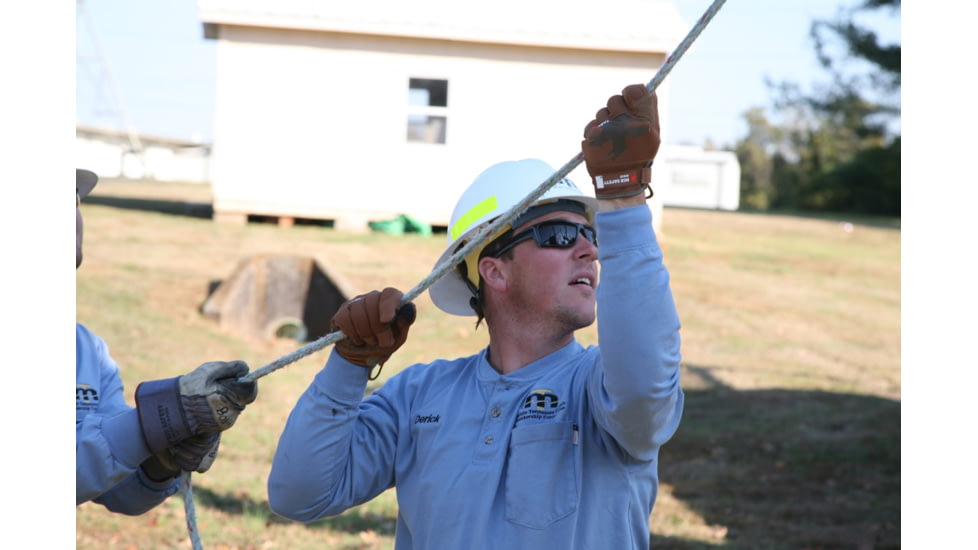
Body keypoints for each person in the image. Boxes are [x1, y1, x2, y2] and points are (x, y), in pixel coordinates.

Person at [267, 84, 684, 549]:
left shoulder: (603, 393)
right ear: (494, 269)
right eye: (562, 234)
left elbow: (645, 389)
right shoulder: (417, 397)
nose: (589, 249)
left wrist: (623, 204)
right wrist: (348, 366)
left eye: (592, 235)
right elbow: (298, 495)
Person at [76, 168, 259, 515]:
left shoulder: (87, 350)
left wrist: (161, 459)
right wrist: (157, 422)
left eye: (71, 198)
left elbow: (117, 491)